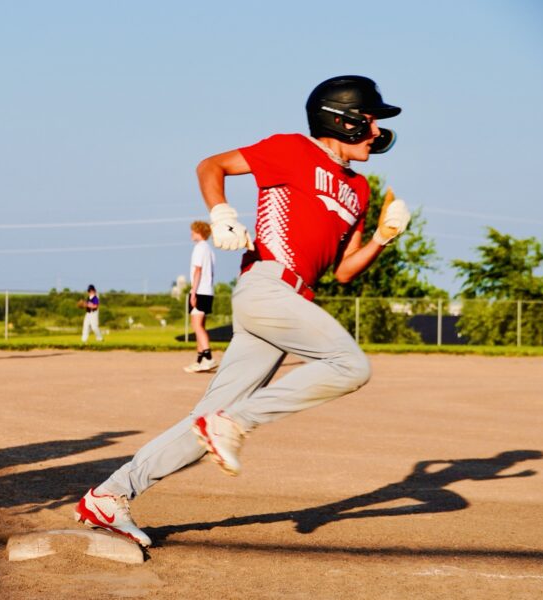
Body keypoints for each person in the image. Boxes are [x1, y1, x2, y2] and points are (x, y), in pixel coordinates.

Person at [73, 75, 410, 546]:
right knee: (350, 366)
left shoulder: (359, 189)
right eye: (372, 122)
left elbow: (343, 272)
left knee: (205, 422)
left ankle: (109, 496)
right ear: (345, 121)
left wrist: (381, 238)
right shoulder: (291, 148)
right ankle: (236, 421)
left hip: (293, 301)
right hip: (267, 285)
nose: (378, 133)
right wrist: (221, 214)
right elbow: (212, 165)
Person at [183, 221, 217, 373]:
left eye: (193, 231)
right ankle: (200, 361)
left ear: (199, 232)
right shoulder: (209, 249)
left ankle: (209, 358)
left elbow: (198, 271)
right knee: (200, 327)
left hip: (200, 291)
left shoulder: (199, 248)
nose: (191, 233)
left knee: (196, 326)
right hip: (208, 290)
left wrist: (193, 292)